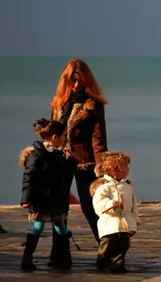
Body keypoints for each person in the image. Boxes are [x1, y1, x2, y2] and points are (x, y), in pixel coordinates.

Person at [50, 58, 108, 242]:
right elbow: (51, 133)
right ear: (66, 81)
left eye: (80, 81)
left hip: (86, 162)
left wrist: (102, 166)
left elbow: (98, 138)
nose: (76, 85)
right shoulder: (59, 103)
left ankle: (106, 248)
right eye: (72, 81)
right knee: (58, 207)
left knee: (90, 207)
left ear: (86, 82)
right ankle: (60, 252)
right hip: (60, 160)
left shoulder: (93, 104)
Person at [19, 119, 72, 271]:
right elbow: (28, 177)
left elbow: (63, 172)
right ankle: (26, 259)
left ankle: (65, 259)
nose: (64, 139)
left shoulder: (57, 153)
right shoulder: (37, 155)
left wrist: (70, 160)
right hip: (42, 198)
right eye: (63, 136)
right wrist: (26, 199)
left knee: (61, 227)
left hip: (57, 198)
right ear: (55, 137)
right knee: (38, 226)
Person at [90, 151, 140, 273]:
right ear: (115, 170)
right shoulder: (104, 187)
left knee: (123, 245)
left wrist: (135, 220)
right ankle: (102, 260)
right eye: (125, 166)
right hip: (109, 224)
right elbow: (98, 205)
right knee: (108, 244)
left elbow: (133, 206)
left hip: (124, 224)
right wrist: (112, 204)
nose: (128, 169)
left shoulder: (128, 187)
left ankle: (117, 266)